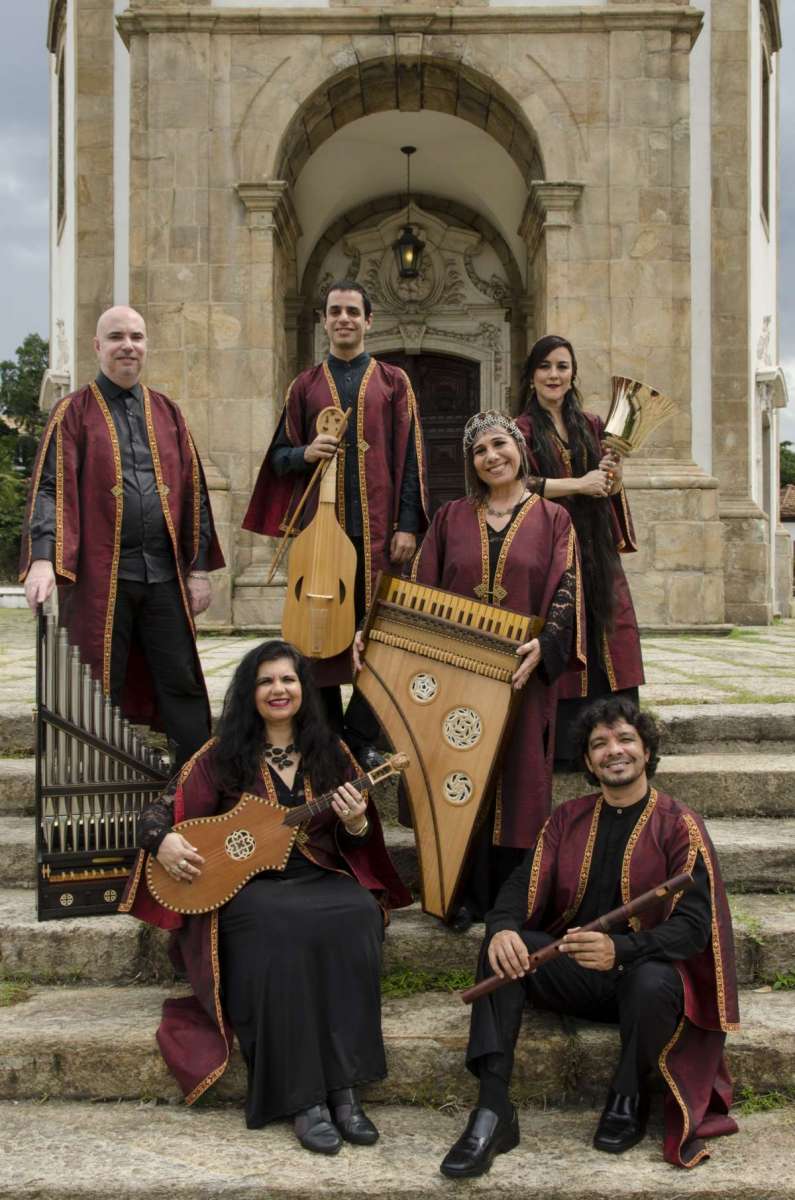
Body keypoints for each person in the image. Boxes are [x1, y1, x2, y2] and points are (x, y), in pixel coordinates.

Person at [120, 639, 411, 1154]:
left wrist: (357, 819)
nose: (279, 690)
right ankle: (302, 1098)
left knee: (358, 913)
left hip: (318, 876)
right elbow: (159, 811)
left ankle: (345, 1087)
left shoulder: (331, 751)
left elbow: (359, 841)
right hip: (248, 891)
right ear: (250, 692)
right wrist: (162, 841)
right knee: (280, 926)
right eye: (266, 681)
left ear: (305, 688)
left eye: (289, 680)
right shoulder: (224, 753)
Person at [440, 697, 738, 1178]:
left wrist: (621, 948)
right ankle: (493, 1111)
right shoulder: (567, 818)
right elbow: (519, 885)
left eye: (625, 739)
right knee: (504, 951)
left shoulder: (679, 825)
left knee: (652, 981)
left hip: (643, 985)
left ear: (646, 751)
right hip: (575, 976)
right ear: (587, 761)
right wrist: (501, 928)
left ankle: (629, 1095)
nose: (613, 751)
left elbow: (692, 928)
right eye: (599, 744)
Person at [19, 305, 224, 768]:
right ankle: (87, 784)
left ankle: (196, 784)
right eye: (116, 337)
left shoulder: (168, 411)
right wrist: (41, 559)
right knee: (94, 683)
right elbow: (50, 486)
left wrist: (199, 570)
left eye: (136, 336)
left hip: (165, 575)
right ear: (98, 346)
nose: (127, 345)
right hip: (99, 575)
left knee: (182, 681)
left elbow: (194, 491)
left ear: (146, 345)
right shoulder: (72, 411)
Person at [403, 410, 585, 928]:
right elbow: (422, 588)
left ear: (520, 449)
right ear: (472, 463)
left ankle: (512, 901)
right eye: (480, 451)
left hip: (522, 674)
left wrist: (546, 644)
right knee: (460, 775)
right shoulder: (449, 517)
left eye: (499, 444)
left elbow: (567, 587)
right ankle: (457, 894)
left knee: (521, 779)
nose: (492, 456)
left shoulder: (554, 520)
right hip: (459, 673)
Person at [242, 281, 428, 761]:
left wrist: (408, 522)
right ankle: (325, 738)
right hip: (319, 538)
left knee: (381, 636)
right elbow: (279, 457)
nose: (343, 319)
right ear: (323, 321)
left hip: (379, 532)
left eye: (352, 311)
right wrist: (306, 452)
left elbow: (410, 457)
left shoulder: (393, 382)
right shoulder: (303, 386)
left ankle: (362, 737)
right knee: (315, 637)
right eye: (334, 312)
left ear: (369, 321)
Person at [516, 335, 644, 769]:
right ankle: (572, 750)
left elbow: (607, 490)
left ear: (573, 374)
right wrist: (579, 485)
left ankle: (623, 741)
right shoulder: (521, 430)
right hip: (551, 549)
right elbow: (519, 484)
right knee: (566, 638)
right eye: (546, 367)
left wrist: (613, 478)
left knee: (613, 637)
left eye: (563, 367)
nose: (555, 375)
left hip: (597, 548)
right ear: (531, 375)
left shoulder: (592, 424)